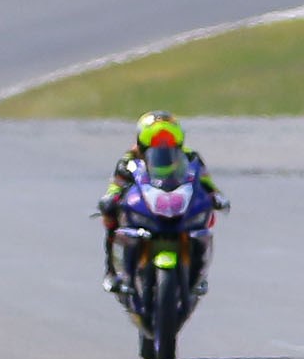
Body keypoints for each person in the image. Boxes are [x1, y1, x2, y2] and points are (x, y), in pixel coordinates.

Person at [97, 110, 226, 293]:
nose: (163, 146)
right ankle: (112, 270)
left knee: (206, 217)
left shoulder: (191, 158)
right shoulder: (129, 160)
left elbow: (205, 180)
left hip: (179, 202)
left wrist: (215, 196)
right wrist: (110, 197)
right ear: (142, 143)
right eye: (156, 142)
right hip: (145, 205)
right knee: (110, 217)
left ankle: (198, 273)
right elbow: (116, 184)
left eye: (168, 142)